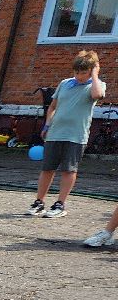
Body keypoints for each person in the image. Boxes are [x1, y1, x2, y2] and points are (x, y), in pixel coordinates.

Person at [27, 51, 106, 219]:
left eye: (83, 72)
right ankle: (39, 202)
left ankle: (60, 204)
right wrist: (47, 124)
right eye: (76, 72)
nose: (78, 76)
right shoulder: (65, 84)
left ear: (91, 70)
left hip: (76, 136)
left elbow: (97, 95)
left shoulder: (96, 85)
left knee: (68, 170)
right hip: (55, 133)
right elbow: (53, 106)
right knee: (47, 168)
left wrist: (95, 74)